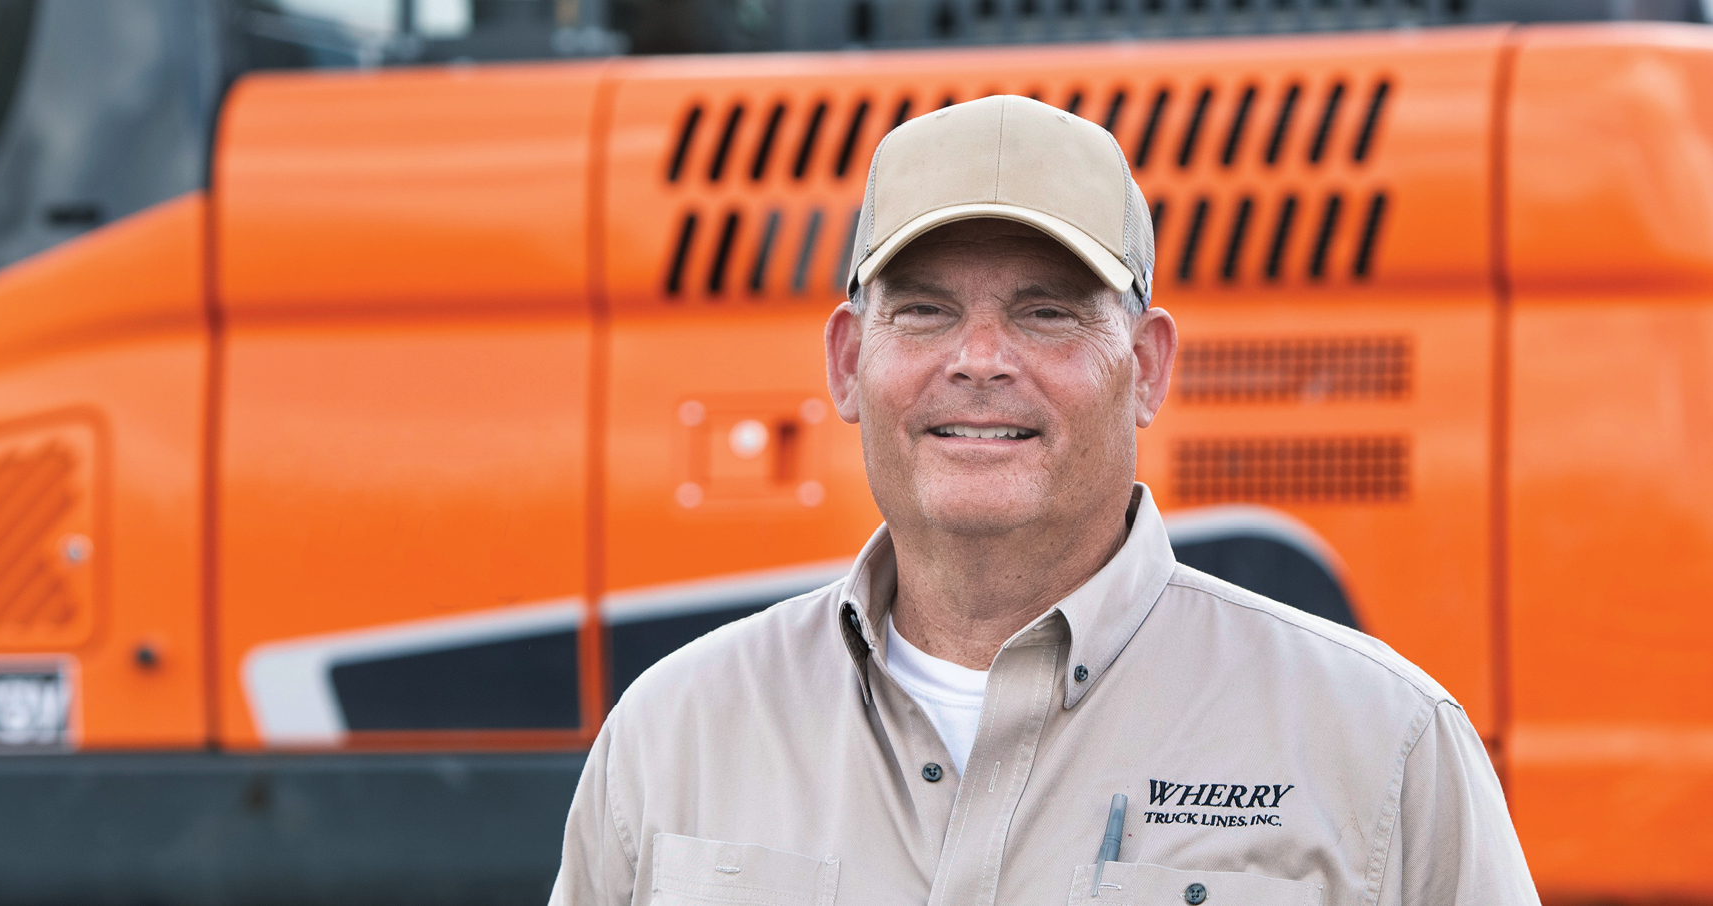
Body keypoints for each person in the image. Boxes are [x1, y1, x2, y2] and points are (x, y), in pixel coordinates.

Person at [550, 95, 1537, 905]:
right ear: (848, 364)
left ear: (1145, 368)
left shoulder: (1383, 744)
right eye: (927, 310)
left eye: (1046, 312)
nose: (979, 360)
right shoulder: (673, 734)